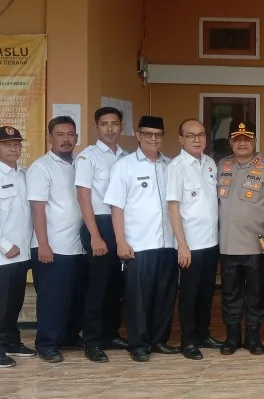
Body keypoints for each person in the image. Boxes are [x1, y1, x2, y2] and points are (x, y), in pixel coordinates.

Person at [104, 116, 180, 362]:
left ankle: (158, 340)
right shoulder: (124, 166)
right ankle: (138, 344)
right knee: (138, 298)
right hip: (138, 244)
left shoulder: (169, 165)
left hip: (167, 244)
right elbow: (116, 207)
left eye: (158, 134)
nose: (153, 139)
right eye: (148, 134)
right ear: (138, 135)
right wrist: (120, 242)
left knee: (164, 295)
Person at [216, 122, 264, 356]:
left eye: (246, 138)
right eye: (237, 139)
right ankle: (232, 336)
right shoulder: (221, 166)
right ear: (231, 143)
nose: (242, 142)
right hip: (227, 245)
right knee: (230, 294)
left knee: (255, 294)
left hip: (256, 246)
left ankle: (253, 336)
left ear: (254, 141)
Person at [27, 116, 87, 363]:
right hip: (52, 247)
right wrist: (43, 244)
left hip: (79, 246)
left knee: (75, 296)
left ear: (77, 137)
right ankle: (47, 344)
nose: (66, 139)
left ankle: (70, 336)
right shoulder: (40, 168)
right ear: (49, 137)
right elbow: (37, 209)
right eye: (60, 134)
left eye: (70, 134)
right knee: (53, 298)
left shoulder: (80, 164)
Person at [166, 119, 224, 361]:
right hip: (190, 245)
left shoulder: (210, 163)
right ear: (181, 139)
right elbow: (173, 208)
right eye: (191, 136)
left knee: (206, 292)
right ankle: (187, 340)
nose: (197, 139)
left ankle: (203, 333)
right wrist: (182, 244)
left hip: (211, 242)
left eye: (201, 135)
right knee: (189, 294)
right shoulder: (176, 167)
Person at [75, 107, 128, 363]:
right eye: (105, 124)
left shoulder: (126, 156)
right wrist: (95, 235)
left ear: (121, 126)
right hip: (99, 225)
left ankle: (110, 333)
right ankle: (93, 340)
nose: (110, 128)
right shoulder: (88, 157)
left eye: (114, 123)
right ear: (97, 127)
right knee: (97, 286)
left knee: (116, 285)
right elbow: (83, 197)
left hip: (122, 226)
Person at [0, 126, 36, 368]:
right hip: (4, 255)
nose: (14, 147)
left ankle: (12, 341)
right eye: (6, 144)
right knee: (1, 304)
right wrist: (4, 245)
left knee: (15, 302)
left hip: (22, 252)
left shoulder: (23, 174)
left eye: (17, 143)